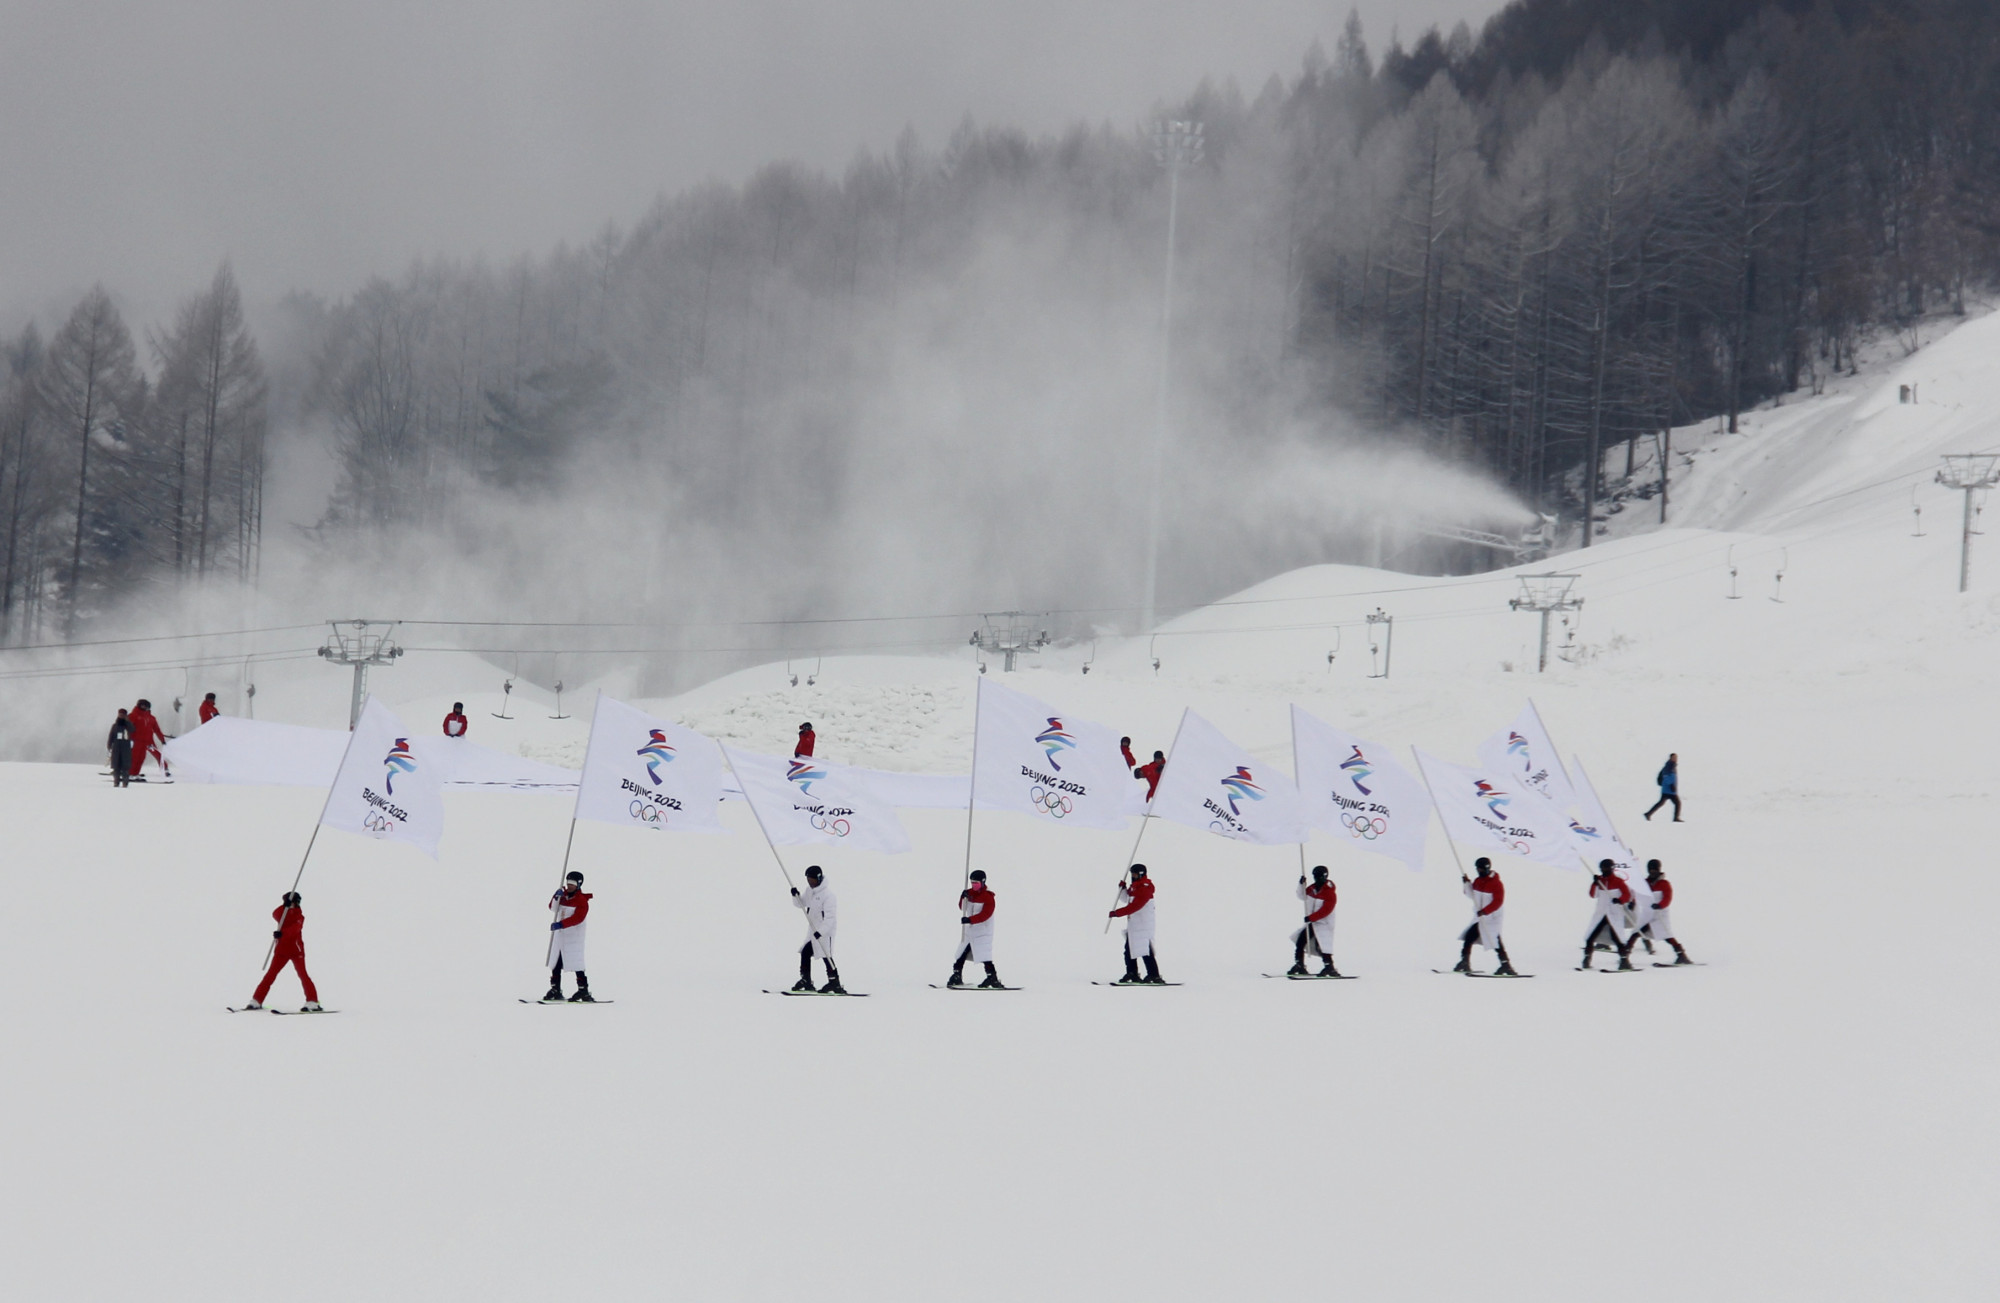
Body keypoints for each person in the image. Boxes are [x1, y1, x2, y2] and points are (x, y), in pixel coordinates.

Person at [246, 892, 321, 1011]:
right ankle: (257, 1000)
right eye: (291, 902)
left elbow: (294, 930)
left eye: (295, 902)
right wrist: (284, 906)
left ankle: (312, 1002)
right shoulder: (283, 914)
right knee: (270, 975)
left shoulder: (299, 916)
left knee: (303, 975)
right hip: (281, 951)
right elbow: (275, 914)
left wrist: (282, 934)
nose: (294, 904)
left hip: (296, 951)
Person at [1455, 858, 1517, 975]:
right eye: (1477, 868)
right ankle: (1464, 961)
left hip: (1492, 918)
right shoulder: (1478, 881)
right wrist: (1467, 884)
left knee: (1495, 941)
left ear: (1487, 868)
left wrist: (1485, 911)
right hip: (1480, 917)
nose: (1479, 871)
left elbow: (1498, 902)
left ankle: (1506, 965)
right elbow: (1472, 895)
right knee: (1469, 937)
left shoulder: (1496, 884)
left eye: (1481, 869)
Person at [788, 864, 844, 993]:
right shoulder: (810, 891)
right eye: (808, 880)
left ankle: (834, 982)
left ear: (819, 879)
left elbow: (830, 918)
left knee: (827, 956)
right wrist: (795, 896)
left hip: (825, 932)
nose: (810, 882)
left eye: (812, 880)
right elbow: (801, 904)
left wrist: (821, 932)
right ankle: (806, 980)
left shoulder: (828, 896)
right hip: (813, 931)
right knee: (805, 952)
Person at [544, 871, 594, 1002]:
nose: (569, 886)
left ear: (579, 884)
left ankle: (583, 990)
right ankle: (555, 988)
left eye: (573, 883)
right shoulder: (563, 896)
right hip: (560, 937)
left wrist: (561, 924)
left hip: (574, 937)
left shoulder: (582, 901)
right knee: (556, 962)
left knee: (576, 962)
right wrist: (555, 897)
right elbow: (552, 908)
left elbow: (578, 918)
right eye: (568, 883)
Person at [1108, 864, 1163, 984]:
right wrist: (1122, 889)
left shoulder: (1145, 888)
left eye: (1135, 874)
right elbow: (1127, 899)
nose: (1133, 876)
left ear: (1141, 874)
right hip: (1134, 925)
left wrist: (1117, 913)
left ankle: (1154, 975)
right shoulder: (1135, 887)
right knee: (1129, 950)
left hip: (1144, 925)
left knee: (1145, 950)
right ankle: (1132, 973)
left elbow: (1135, 906)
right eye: (1132, 874)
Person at [949, 869, 1004, 987]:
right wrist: (962, 897)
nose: (974, 885)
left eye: (976, 883)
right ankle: (957, 974)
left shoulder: (988, 897)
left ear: (983, 882)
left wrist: (970, 919)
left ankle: (992, 977)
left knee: (984, 954)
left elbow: (985, 914)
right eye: (972, 882)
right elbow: (962, 907)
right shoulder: (969, 893)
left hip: (983, 931)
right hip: (970, 931)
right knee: (961, 953)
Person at [1582, 859, 1638, 970]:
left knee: (1617, 937)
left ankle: (1624, 961)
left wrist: (1620, 900)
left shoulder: (1618, 881)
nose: (1603, 870)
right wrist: (1595, 883)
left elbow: (1627, 895)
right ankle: (1586, 959)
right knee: (1590, 937)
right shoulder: (1601, 881)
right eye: (1602, 868)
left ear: (1611, 869)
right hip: (1601, 914)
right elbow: (1593, 894)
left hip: (1613, 914)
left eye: (1606, 868)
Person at [1287, 864, 1340, 976]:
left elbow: (1326, 910)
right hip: (1313, 922)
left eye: (1320, 876)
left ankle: (1329, 967)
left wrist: (1311, 917)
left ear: (1325, 876)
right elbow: (1302, 896)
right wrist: (1301, 885)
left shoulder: (1329, 892)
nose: (1317, 879)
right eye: (1315, 876)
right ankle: (1299, 964)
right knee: (1301, 941)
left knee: (1323, 945)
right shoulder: (1313, 888)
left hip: (1324, 924)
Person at [1640, 859, 1693, 965]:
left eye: (1655, 869)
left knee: (1666, 935)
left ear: (1659, 869)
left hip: (1659, 915)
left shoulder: (1664, 883)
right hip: (1648, 915)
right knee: (1637, 933)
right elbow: (1638, 894)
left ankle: (1681, 954)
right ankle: (1624, 955)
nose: (1652, 872)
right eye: (1651, 869)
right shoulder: (1645, 883)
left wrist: (1660, 905)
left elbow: (1667, 898)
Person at [127, 699, 168, 781]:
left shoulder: (151, 718)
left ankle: (136, 773)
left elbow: (157, 730)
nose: (144, 707)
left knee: (142, 758)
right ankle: (130, 773)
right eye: (142, 705)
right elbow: (128, 728)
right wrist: (129, 740)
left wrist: (162, 740)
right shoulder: (133, 716)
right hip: (136, 741)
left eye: (146, 706)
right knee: (134, 758)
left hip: (148, 741)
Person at [1644, 753, 1681, 821]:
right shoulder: (1669, 766)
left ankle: (1648, 814)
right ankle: (1676, 818)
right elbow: (1666, 777)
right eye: (1674, 757)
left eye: (1676, 757)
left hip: (1669, 789)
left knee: (1661, 803)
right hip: (1668, 789)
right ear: (1670, 758)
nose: (1676, 759)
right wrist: (1671, 785)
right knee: (1677, 803)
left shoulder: (1672, 766)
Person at [106, 707, 134, 788]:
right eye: (120, 714)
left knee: (125, 766)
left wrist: (127, 721)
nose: (121, 716)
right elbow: (111, 736)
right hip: (116, 747)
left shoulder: (128, 725)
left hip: (125, 748)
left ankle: (125, 783)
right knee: (116, 766)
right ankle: (116, 782)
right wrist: (109, 745)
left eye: (123, 714)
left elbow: (132, 730)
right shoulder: (115, 726)